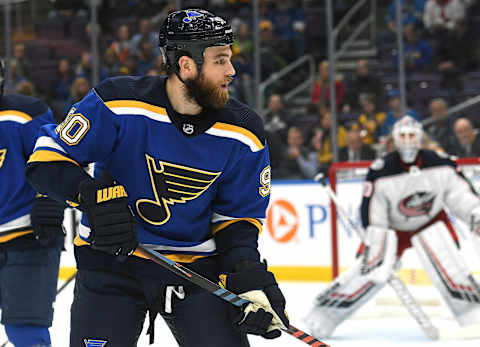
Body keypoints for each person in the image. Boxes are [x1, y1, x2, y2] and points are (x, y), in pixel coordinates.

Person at [26, 9, 289, 347]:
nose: (232, 70)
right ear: (186, 64)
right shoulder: (117, 104)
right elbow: (46, 161)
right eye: (220, 60)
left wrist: (245, 270)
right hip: (111, 264)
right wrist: (88, 193)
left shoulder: (244, 132)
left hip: (197, 271)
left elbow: (237, 216)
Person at [305, 116, 480, 338]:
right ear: (396, 139)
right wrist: (376, 248)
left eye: (412, 136)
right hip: (393, 228)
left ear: (420, 138)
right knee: (371, 269)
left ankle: (473, 314)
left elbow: (461, 195)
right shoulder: (381, 170)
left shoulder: (440, 162)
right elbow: (372, 210)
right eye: (403, 136)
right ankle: (323, 316)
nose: (408, 141)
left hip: (430, 220)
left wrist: (476, 215)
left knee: (448, 261)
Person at [0, 59, 65, 347]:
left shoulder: (24, 114)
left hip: (26, 238)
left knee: (25, 333)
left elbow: (55, 159)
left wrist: (49, 199)